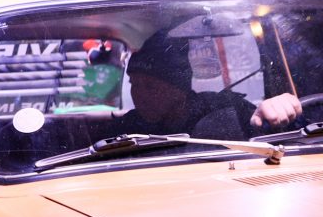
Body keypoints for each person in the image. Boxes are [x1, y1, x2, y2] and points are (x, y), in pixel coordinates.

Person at [118, 30, 302, 139]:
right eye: (134, 83)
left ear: (179, 89)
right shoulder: (131, 127)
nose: (138, 94)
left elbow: (279, 134)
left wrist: (282, 108)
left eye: (150, 86)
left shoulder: (228, 111)